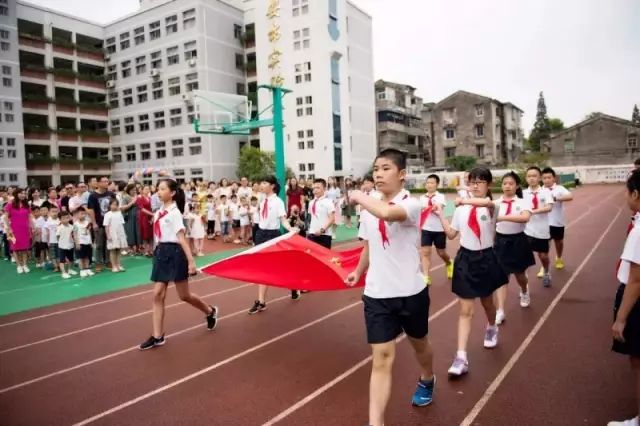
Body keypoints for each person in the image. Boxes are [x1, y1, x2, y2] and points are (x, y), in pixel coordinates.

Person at [345, 149, 435, 426]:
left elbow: (386, 214)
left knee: (420, 345)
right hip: (377, 295)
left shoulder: (413, 204)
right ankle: (376, 423)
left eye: (385, 168)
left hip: (411, 292)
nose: (379, 174)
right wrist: (358, 271)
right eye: (376, 169)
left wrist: (358, 195)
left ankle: (428, 378)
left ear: (402, 174)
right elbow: (370, 243)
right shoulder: (370, 206)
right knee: (381, 358)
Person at [435, 167, 508, 377]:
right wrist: (441, 214)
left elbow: (486, 203)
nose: (475, 186)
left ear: (488, 184)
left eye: (480, 182)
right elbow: (450, 234)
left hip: (486, 258)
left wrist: (464, 200)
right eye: (472, 182)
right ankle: (461, 357)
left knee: (487, 303)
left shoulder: (493, 205)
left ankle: (492, 326)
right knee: (465, 310)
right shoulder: (461, 209)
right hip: (465, 259)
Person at [139, 177, 218, 350]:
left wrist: (191, 261)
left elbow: (182, 239)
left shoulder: (175, 213)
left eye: (162, 189)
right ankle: (157, 335)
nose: (158, 192)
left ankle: (210, 311)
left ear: (172, 193)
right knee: (157, 293)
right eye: (157, 189)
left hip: (175, 253)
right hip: (161, 253)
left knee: (184, 296)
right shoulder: (159, 211)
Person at [609, 169, 640, 426]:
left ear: (636, 194)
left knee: (638, 361)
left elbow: (636, 279)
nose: (626, 197)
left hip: (637, 304)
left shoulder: (639, 231)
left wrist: (621, 318)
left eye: (627, 193)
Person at [248, 176, 301, 314]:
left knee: (280, 267)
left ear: (272, 186)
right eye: (261, 182)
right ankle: (261, 301)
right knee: (262, 269)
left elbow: (283, 220)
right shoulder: (262, 200)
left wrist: (290, 229)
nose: (261, 185)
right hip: (261, 234)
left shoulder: (278, 202)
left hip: (273, 235)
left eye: (264, 182)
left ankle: (293, 286)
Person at [493, 171, 535, 325]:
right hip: (500, 241)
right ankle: (500, 310)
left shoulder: (523, 202)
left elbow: (525, 218)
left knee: (520, 276)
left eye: (511, 183)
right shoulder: (496, 203)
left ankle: (524, 291)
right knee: (501, 277)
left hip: (518, 241)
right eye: (504, 183)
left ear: (517, 186)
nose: (507, 186)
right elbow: (492, 225)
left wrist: (502, 217)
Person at [523, 166, 555, 287]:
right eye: (529, 176)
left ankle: (546, 271)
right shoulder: (523, 193)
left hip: (542, 230)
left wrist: (532, 211)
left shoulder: (546, 192)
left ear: (539, 178)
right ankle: (524, 286)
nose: (532, 179)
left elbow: (549, 207)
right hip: (526, 231)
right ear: (526, 178)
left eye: (534, 176)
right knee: (524, 259)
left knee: (543, 256)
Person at [419, 174, 453, 285]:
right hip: (426, 229)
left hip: (439, 229)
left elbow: (439, 207)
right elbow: (420, 210)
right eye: (427, 183)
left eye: (432, 183)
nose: (429, 185)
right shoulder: (422, 198)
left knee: (441, 252)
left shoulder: (440, 196)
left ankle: (449, 263)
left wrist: (428, 208)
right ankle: (426, 276)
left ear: (437, 184)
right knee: (425, 252)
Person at [541, 167, 573, 270]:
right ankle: (544, 266)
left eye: (549, 177)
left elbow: (570, 196)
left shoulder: (560, 188)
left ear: (554, 178)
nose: (546, 180)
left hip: (558, 222)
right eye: (544, 178)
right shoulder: (540, 190)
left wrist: (555, 198)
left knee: (559, 242)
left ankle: (559, 257)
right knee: (545, 245)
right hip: (544, 222)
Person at [87, 177, 115, 272]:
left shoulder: (111, 194)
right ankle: (98, 263)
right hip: (99, 223)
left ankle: (108, 261)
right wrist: (94, 223)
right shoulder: (93, 196)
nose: (107, 183)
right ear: (98, 183)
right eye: (104, 181)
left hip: (110, 224)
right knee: (99, 244)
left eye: (107, 181)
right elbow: (91, 210)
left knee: (108, 243)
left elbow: (115, 207)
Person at [4, 188, 32, 273]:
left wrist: (31, 227)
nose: (23, 195)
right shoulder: (10, 204)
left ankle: (24, 265)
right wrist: (9, 229)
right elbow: (5, 217)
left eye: (24, 193)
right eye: (21, 193)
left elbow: (30, 217)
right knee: (15, 248)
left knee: (25, 248)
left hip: (25, 229)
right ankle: (18, 265)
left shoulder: (27, 204)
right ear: (16, 194)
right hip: (14, 229)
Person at [307, 178, 335, 249]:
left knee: (324, 259)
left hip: (325, 235)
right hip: (312, 234)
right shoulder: (311, 202)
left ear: (324, 189)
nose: (315, 190)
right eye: (314, 188)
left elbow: (332, 219)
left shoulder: (329, 202)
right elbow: (311, 218)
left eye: (318, 188)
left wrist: (322, 230)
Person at [104, 198, 128, 272]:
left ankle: (119, 265)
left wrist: (124, 234)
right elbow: (106, 226)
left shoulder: (119, 213)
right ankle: (114, 266)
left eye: (116, 205)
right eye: (112, 204)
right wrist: (108, 235)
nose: (114, 206)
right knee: (113, 250)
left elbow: (121, 224)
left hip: (120, 233)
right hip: (112, 234)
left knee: (119, 250)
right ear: (110, 205)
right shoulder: (107, 214)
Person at [73, 207, 94, 277]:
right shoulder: (75, 224)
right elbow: (75, 234)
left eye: (84, 214)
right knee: (81, 257)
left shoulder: (87, 223)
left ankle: (87, 268)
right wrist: (77, 243)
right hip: (80, 243)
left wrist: (91, 242)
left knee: (87, 257)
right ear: (77, 215)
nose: (83, 215)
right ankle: (82, 270)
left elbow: (89, 233)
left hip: (87, 242)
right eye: (81, 214)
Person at [56, 211, 76, 279]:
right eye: (63, 218)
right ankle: (63, 272)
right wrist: (61, 242)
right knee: (62, 260)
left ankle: (70, 270)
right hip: (62, 246)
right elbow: (58, 236)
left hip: (70, 245)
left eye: (67, 218)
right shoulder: (59, 227)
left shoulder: (72, 227)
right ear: (60, 219)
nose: (66, 220)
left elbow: (74, 235)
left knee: (71, 259)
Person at [137, 186, 154, 256]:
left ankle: (151, 250)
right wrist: (152, 214)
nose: (147, 190)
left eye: (148, 189)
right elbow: (142, 209)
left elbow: (152, 208)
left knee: (151, 234)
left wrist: (153, 217)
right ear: (142, 190)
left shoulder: (150, 198)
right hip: (143, 217)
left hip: (150, 217)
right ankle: (146, 251)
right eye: (146, 189)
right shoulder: (139, 198)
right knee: (145, 234)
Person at [44, 206, 60, 273]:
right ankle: (56, 267)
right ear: (49, 213)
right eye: (53, 211)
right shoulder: (48, 221)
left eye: (56, 211)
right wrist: (48, 241)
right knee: (53, 255)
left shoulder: (60, 220)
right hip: (52, 241)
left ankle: (59, 266)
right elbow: (47, 232)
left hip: (59, 241)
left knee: (59, 255)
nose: (54, 213)